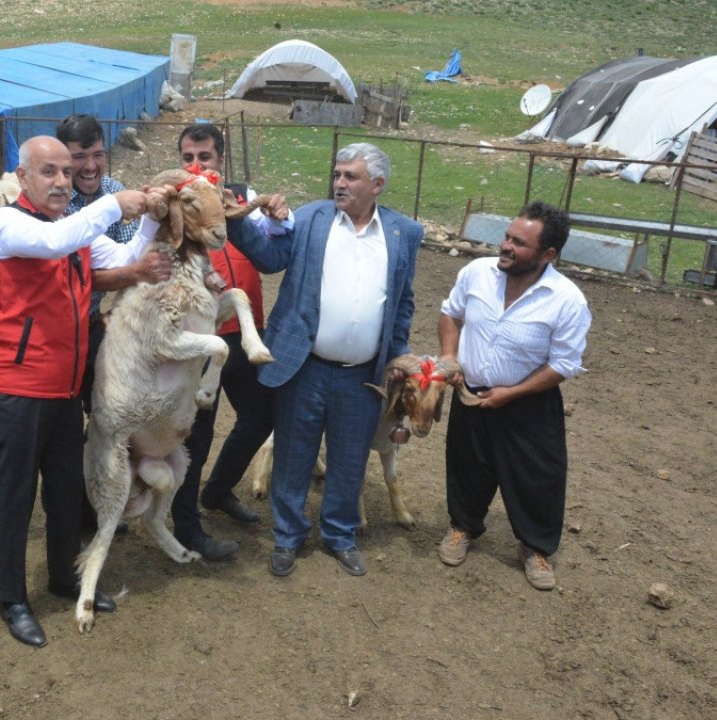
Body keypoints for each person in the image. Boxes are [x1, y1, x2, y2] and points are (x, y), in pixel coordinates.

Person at [0, 135, 161, 648]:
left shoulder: (74, 229)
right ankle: (11, 597)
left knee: (63, 488)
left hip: (63, 384)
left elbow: (127, 254)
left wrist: (147, 216)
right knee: (16, 495)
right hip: (15, 385)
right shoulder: (6, 223)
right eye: (49, 172)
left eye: (65, 172)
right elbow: (53, 245)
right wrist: (112, 204)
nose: (61, 182)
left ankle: (63, 576)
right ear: (23, 178)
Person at [229, 142, 421, 578]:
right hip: (305, 365)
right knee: (294, 456)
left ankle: (340, 535)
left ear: (377, 184)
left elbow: (404, 301)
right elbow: (270, 258)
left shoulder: (403, 233)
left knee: (350, 459)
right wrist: (237, 220)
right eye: (337, 175)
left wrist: (396, 353)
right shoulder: (312, 217)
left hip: (362, 376)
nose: (339, 183)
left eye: (350, 177)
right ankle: (287, 537)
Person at [436, 200, 591, 590]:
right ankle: (462, 527)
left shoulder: (567, 299)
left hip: (528, 404)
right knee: (467, 464)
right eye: (506, 237)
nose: (505, 246)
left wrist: (513, 392)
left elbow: (564, 363)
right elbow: (451, 313)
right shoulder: (477, 273)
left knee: (537, 476)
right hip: (469, 393)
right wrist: (450, 358)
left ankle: (535, 547)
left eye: (519, 243)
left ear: (548, 254)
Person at [171, 123, 291, 562]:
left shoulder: (242, 198)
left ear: (221, 159)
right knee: (195, 435)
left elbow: (275, 240)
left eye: (204, 156)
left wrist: (281, 211)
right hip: (200, 341)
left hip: (245, 335)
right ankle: (187, 530)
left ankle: (218, 491)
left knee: (260, 418)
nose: (196, 165)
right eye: (188, 157)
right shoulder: (175, 204)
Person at [54, 113, 168, 537]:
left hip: (105, 331)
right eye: (78, 157)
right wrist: (132, 275)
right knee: (66, 430)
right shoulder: (57, 201)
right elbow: (80, 274)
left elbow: (126, 258)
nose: (90, 166)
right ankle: (72, 514)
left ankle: (103, 502)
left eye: (97, 154)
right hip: (64, 333)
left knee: (108, 422)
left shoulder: (117, 192)